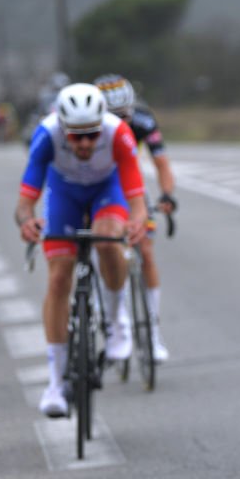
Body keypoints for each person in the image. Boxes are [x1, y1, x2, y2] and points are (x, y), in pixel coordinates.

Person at [15, 83, 148, 417]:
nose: (86, 143)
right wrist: (27, 222)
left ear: (101, 124)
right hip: (65, 195)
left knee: (107, 240)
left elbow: (136, 198)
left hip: (108, 189)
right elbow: (24, 203)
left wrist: (136, 222)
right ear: (62, 127)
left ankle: (117, 321)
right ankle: (56, 384)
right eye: (76, 137)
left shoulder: (118, 133)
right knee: (59, 278)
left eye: (91, 134)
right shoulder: (45, 136)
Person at [94, 74, 177, 362]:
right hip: (96, 188)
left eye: (124, 116)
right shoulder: (88, 126)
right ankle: (107, 308)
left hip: (130, 189)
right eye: (112, 117)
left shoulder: (143, 121)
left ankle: (153, 334)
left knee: (147, 252)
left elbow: (162, 163)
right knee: (102, 245)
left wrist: (167, 195)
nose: (120, 123)